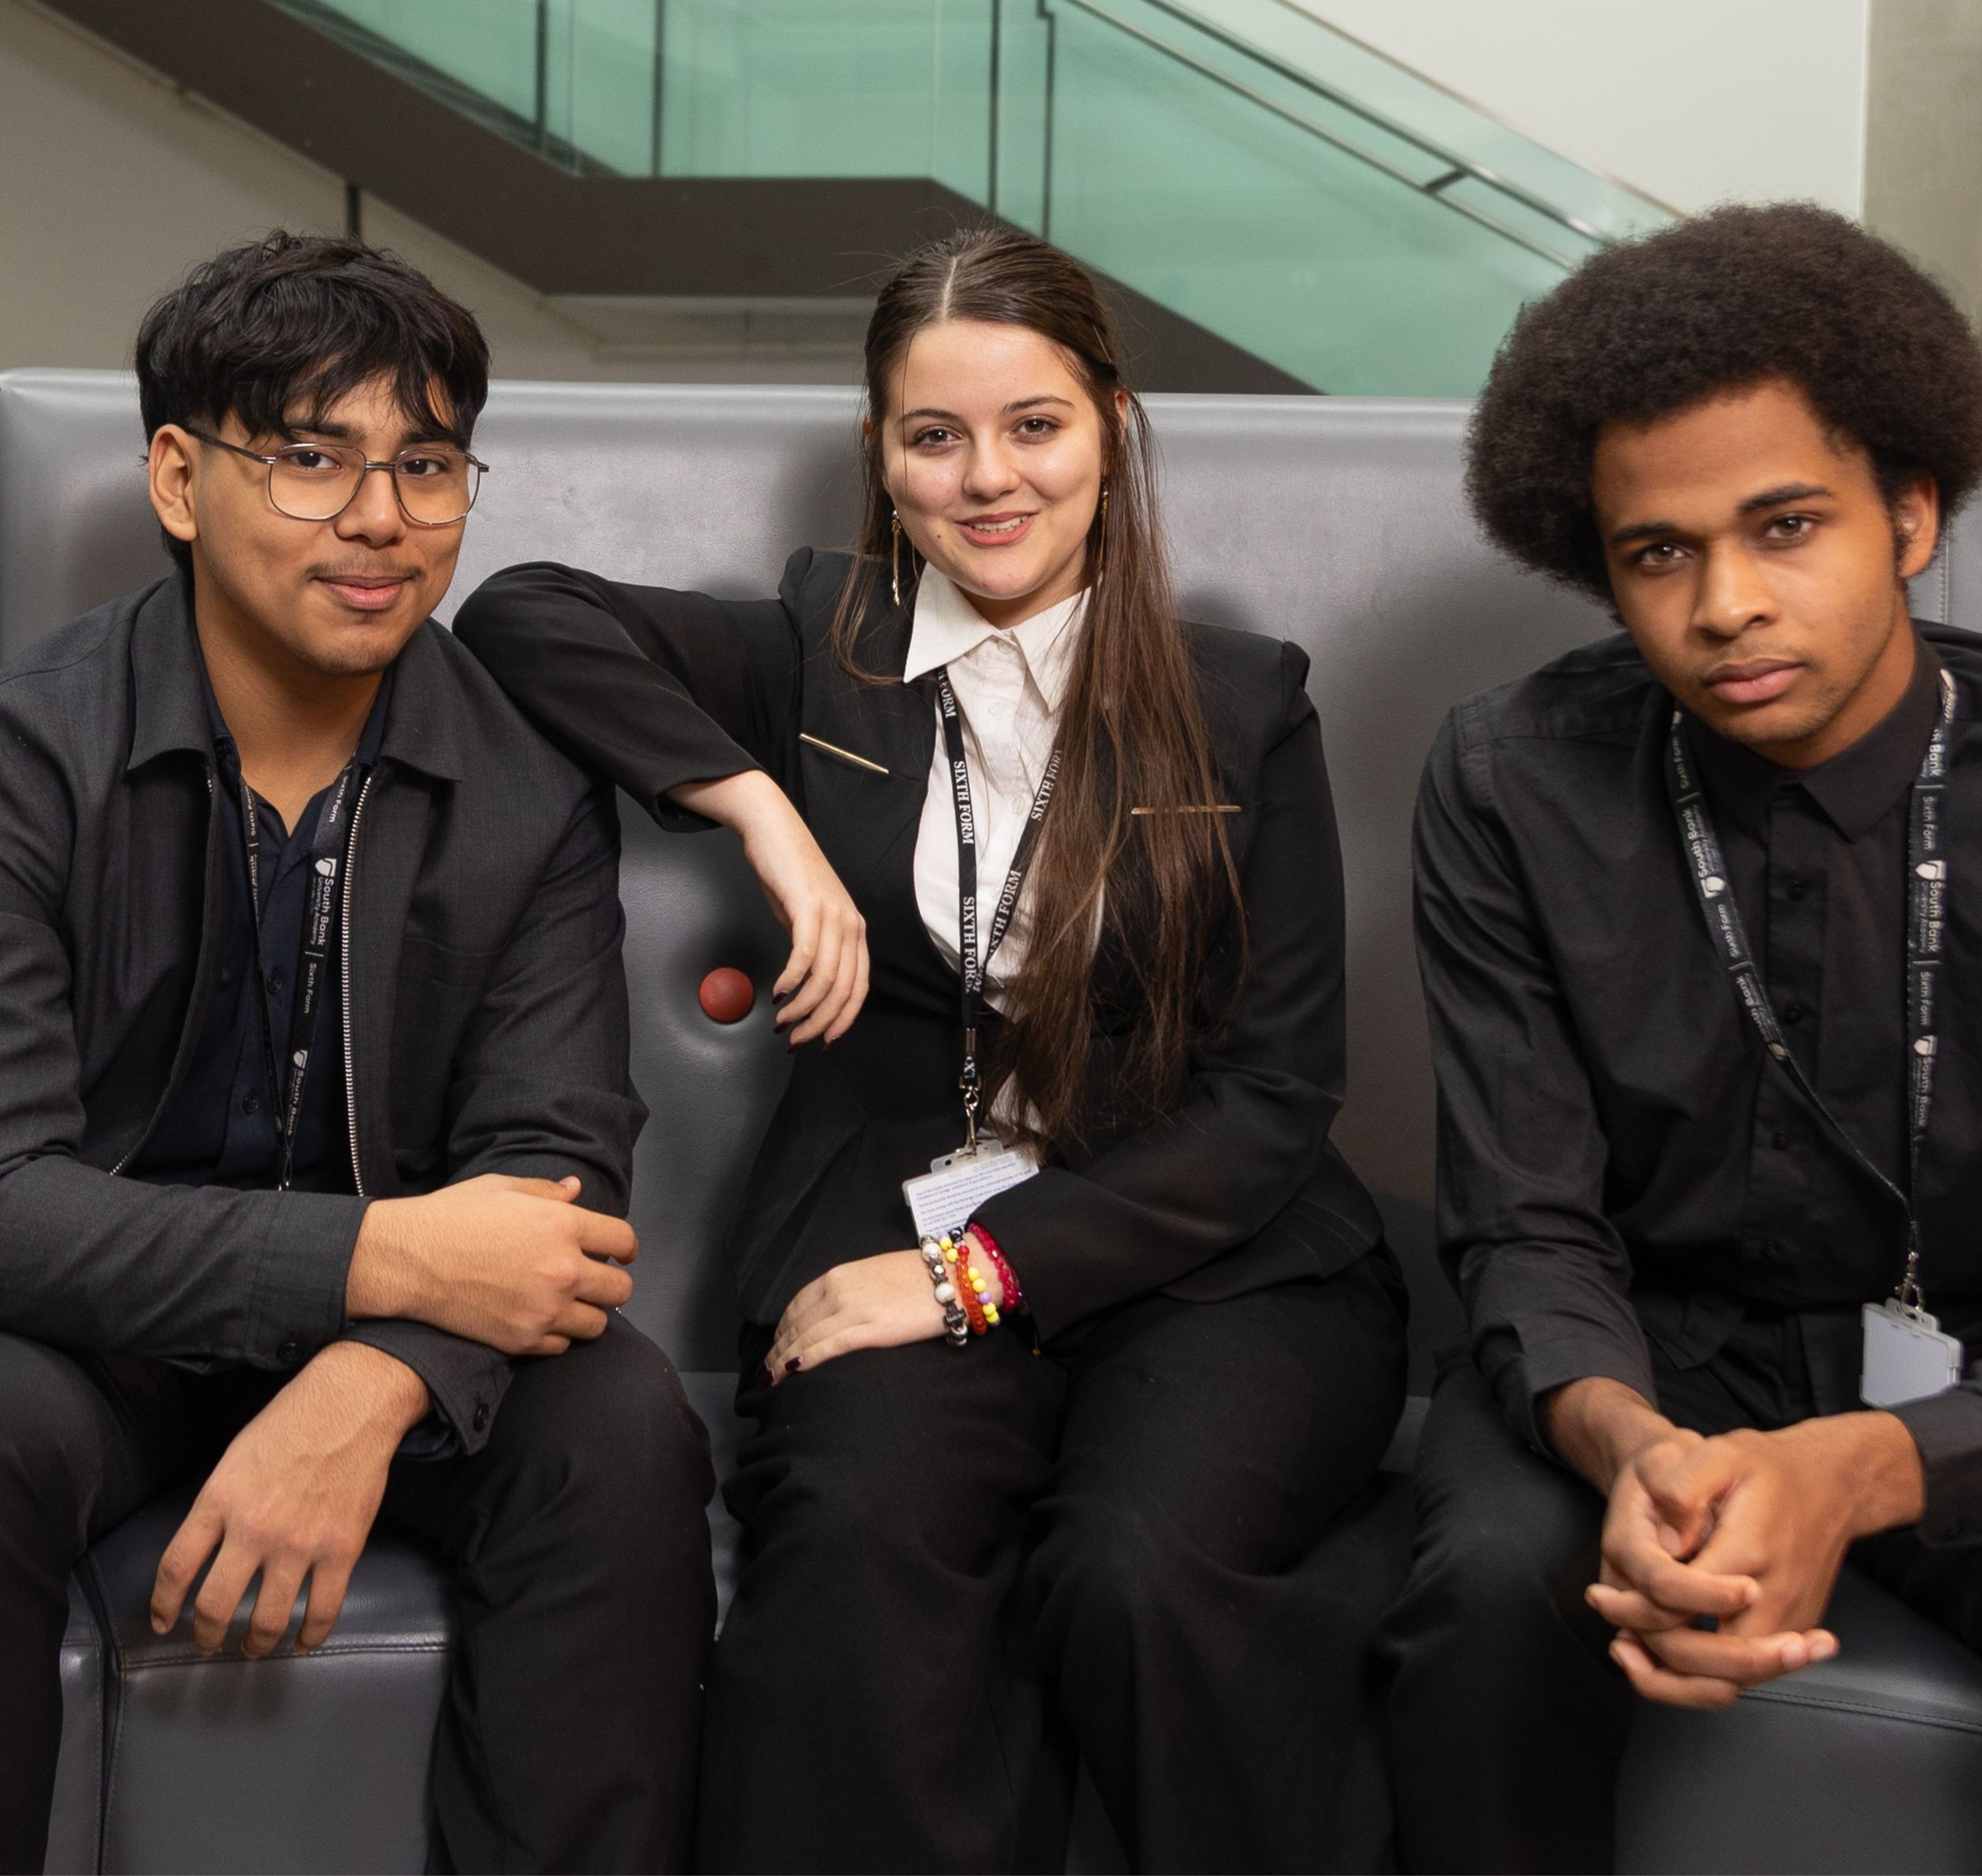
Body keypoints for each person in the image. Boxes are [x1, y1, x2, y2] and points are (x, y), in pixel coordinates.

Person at [0, 232, 714, 1873]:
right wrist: (383, 1257)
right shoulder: (24, 748)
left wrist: (371, 1371)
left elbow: (554, 1180)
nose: (383, 519)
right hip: (66, 1338)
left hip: (400, 1331)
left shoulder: (529, 779)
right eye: (314, 460)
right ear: (181, 480)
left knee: (621, 1434)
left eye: (425, 463)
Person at [452, 226, 1406, 1872]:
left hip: (1220, 1260)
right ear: (880, 457)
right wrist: (757, 807)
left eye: (1034, 425)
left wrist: (979, 1273)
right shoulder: (812, 657)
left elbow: (1276, 1100)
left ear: (1111, 426)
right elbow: (521, 614)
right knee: (853, 1557)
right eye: (933, 435)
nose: (988, 481)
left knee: (1138, 1572)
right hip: (876, 1229)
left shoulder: (1244, 704)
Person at [1377, 202, 1982, 1872]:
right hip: (1651, 1367)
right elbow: (1527, 1229)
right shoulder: (1508, 778)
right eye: (1660, 553)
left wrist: (1865, 1470)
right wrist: (1633, 1444)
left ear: (1912, 511)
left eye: (1786, 525)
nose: (1727, 602)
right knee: (1486, 1589)